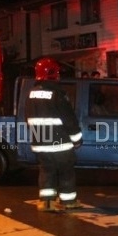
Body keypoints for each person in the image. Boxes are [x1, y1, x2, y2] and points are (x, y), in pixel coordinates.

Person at [25, 58, 83, 212]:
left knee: (46, 170)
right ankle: (68, 201)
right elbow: (69, 119)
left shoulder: (31, 94)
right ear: (52, 74)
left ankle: (47, 203)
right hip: (60, 143)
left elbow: (28, 118)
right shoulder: (57, 93)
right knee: (66, 171)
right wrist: (77, 140)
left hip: (40, 144)